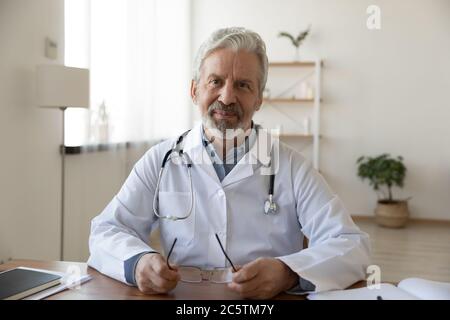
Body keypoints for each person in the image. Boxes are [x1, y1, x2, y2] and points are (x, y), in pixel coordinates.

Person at [87, 27, 371, 299]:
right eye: (216, 82)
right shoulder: (160, 160)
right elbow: (106, 231)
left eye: (243, 85)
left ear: (259, 99)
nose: (227, 97)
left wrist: (288, 273)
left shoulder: (292, 167)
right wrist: (138, 262)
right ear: (194, 90)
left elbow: (352, 246)